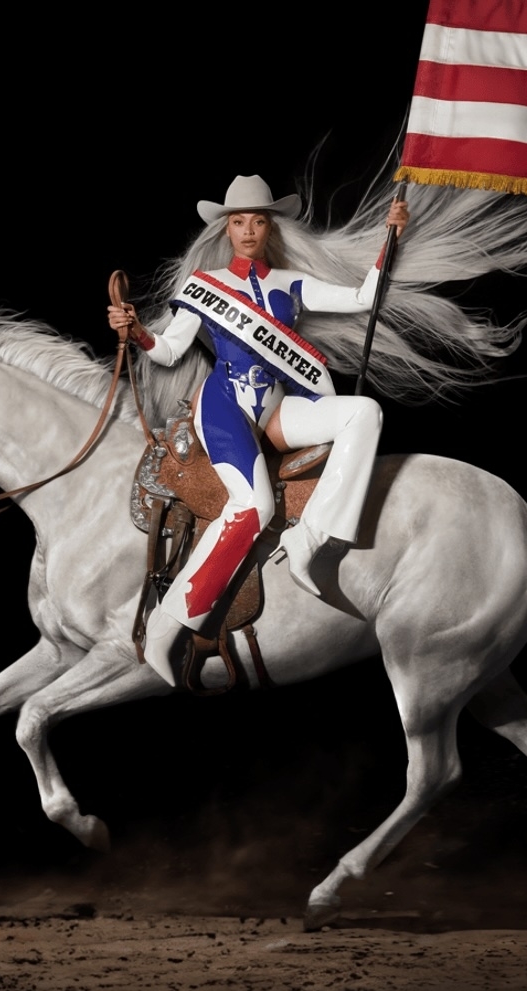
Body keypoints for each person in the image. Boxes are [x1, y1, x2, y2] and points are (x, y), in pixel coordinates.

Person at [109, 174, 408, 686]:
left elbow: (363, 297)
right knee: (254, 507)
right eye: (240, 221)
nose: (249, 230)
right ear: (228, 230)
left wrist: (391, 237)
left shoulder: (290, 283)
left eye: (259, 221)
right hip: (223, 406)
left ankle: (314, 540)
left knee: (364, 413)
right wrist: (135, 331)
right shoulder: (205, 287)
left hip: (275, 408)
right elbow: (170, 350)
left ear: (270, 227)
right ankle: (168, 623)